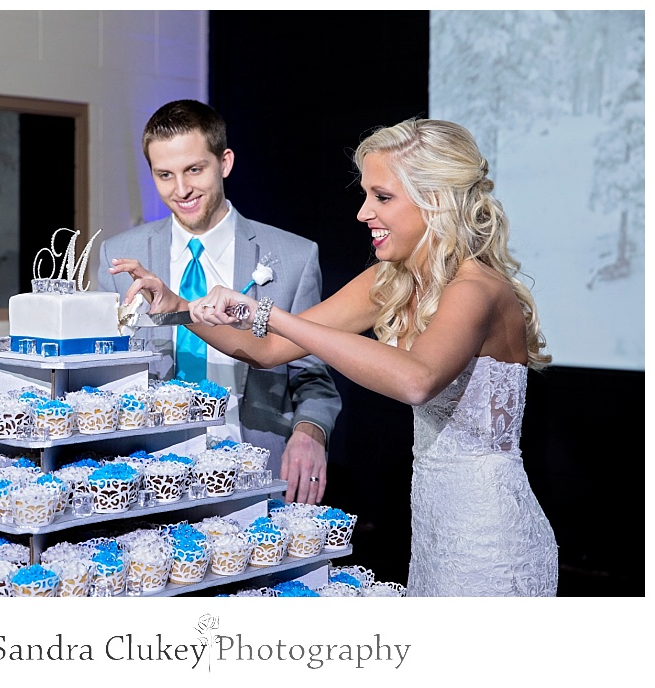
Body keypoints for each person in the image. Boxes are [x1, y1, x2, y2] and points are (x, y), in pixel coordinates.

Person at [112, 118, 559, 597]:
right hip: (434, 525)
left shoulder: (477, 288)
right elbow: (269, 352)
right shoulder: (392, 279)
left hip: (490, 536)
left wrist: (272, 314)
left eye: (382, 197)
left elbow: (417, 380)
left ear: (436, 199)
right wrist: (180, 308)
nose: (364, 212)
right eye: (365, 195)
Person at [98, 99, 341, 505]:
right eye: (165, 175)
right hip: (150, 474)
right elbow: (105, 368)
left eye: (194, 169)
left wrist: (310, 432)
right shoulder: (118, 255)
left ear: (224, 162)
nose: (181, 190)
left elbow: (313, 377)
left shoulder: (295, 256)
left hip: (256, 466)